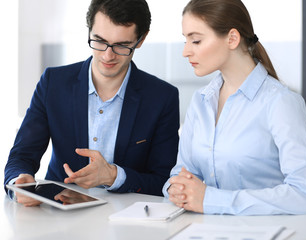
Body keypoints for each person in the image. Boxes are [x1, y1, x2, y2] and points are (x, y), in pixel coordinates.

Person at [4, 0, 179, 206]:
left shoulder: (162, 97)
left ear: (141, 40)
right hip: (59, 214)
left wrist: (114, 176)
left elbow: (164, 181)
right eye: (99, 40)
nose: (108, 55)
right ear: (89, 32)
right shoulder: (53, 82)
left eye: (122, 45)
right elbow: (22, 155)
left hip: (127, 219)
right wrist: (20, 183)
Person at [162, 0, 306, 215]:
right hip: (201, 230)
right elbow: (183, 173)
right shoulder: (201, 100)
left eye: (196, 41)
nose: (185, 52)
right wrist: (177, 189)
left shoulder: (280, 102)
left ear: (232, 38)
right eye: (186, 40)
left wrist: (211, 200)